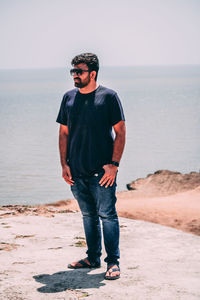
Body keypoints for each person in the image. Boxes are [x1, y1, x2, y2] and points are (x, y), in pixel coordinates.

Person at [56, 53, 126, 280]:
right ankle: (92, 257)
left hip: (102, 172)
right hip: (76, 170)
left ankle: (112, 262)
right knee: (88, 215)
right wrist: (64, 165)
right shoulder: (68, 98)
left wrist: (114, 165)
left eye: (79, 71)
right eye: (73, 71)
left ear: (92, 73)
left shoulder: (108, 97)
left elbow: (120, 131)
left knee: (107, 215)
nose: (75, 75)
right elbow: (63, 133)